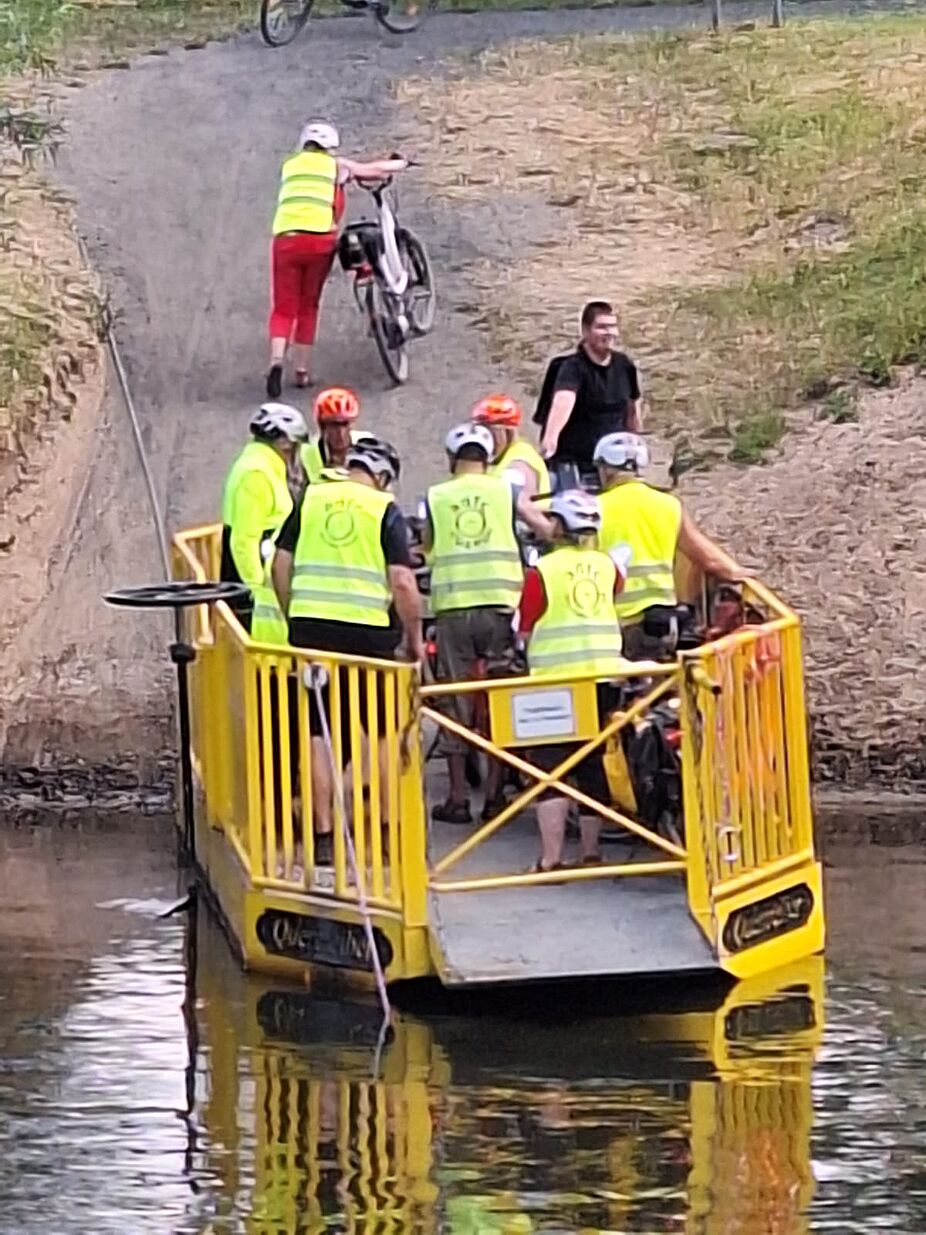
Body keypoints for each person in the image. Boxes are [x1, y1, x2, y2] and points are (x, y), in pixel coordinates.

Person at [271, 436, 423, 863]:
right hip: (369, 637)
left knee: (320, 731)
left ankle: (321, 837)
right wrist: (413, 640)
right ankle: (380, 826)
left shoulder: (311, 498)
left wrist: (292, 614)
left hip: (311, 630)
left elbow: (279, 564)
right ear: (383, 476)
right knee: (380, 731)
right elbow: (402, 583)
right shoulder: (383, 510)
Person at [519, 490, 627, 872]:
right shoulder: (609, 565)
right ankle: (591, 851)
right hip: (605, 675)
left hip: (556, 681)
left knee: (551, 766)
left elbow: (526, 623)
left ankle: (550, 859)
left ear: (559, 525)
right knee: (592, 760)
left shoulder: (542, 570)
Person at [422, 423, 525, 825]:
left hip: (454, 609)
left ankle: (459, 798)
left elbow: (427, 544)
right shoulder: (507, 490)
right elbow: (537, 525)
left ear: (452, 459)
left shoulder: (437, 495)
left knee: (456, 701)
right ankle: (497, 796)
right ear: (488, 458)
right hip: (501, 606)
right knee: (500, 698)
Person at [267, 121, 408, 397]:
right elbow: (373, 171)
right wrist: (400, 164)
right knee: (308, 305)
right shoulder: (335, 165)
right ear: (330, 147)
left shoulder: (290, 166)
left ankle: (275, 361)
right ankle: (302, 371)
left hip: (286, 239)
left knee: (283, 308)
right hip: (319, 240)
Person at [594, 432, 743, 660]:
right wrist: (737, 573)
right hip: (661, 620)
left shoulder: (593, 510)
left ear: (605, 469)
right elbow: (707, 558)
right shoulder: (669, 505)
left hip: (614, 623)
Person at [220, 402, 308, 642]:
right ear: (284, 443)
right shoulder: (256, 474)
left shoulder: (262, 465)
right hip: (256, 598)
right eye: (294, 447)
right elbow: (244, 541)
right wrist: (256, 591)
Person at [538, 301, 642, 488]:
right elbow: (563, 400)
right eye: (601, 327)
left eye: (612, 326)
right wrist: (550, 441)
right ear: (585, 330)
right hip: (576, 464)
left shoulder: (624, 365)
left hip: (614, 464)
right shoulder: (571, 367)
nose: (609, 332)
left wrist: (635, 444)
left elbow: (632, 409)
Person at [471, 393, 549, 500]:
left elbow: (522, 506)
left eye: (489, 431)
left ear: (507, 431)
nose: (483, 438)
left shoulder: (518, 464)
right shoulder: (499, 456)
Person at [301, 386, 370, 485]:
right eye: (334, 425)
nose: (340, 432)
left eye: (344, 424)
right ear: (322, 426)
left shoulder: (368, 446)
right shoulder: (306, 454)